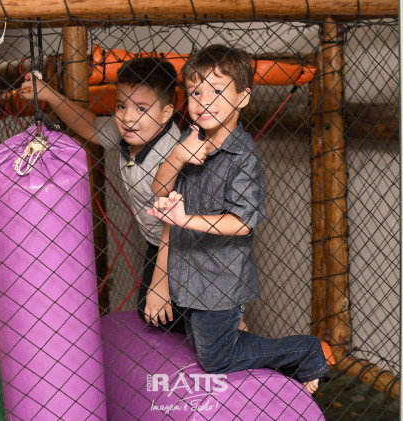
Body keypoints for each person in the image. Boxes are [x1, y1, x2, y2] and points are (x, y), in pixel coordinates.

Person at [145, 44, 328, 394]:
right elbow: (160, 188)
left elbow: (242, 223)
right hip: (188, 273)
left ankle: (305, 352)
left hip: (220, 280)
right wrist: (179, 154)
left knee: (216, 359)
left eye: (217, 91)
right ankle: (255, 343)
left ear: (242, 97)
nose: (204, 101)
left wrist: (186, 219)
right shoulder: (191, 138)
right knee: (206, 346)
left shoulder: (243, 157)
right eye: (196, 92)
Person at [20, 56, 187, 332]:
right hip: (157, 243)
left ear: (166, 113)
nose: (128, 117)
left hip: (185, 245)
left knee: (180, 316)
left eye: (141, 108)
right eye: (121, 105)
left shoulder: (170, 155)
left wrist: (160, 282)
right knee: (152, 314)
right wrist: (48, 93)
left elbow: (176, 223)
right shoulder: (134, 132)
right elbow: (89, 126)